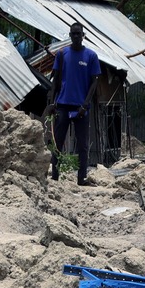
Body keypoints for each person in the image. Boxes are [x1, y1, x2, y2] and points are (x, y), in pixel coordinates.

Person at [48, 22, 103, 182]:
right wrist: (52, 102)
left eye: (79, 33)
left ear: (83, 36)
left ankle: (81, 178)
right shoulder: (62, 54)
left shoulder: (91, 56)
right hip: (62, 105)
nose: (76, 36)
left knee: (83, 145)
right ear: (70, 35)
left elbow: (94, 82)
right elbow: (55, 80)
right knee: (58, 142)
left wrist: (85, 105)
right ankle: (55, 176)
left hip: (81, 107)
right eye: (74, 33)